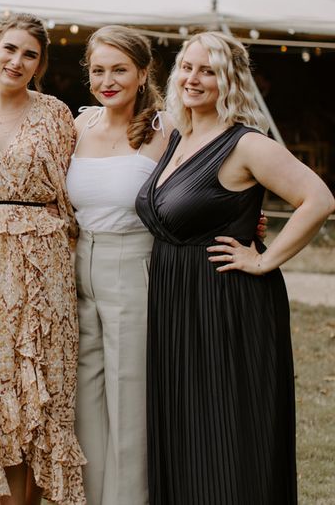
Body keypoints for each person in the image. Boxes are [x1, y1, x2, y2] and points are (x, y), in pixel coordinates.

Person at [136, 31, 335, 505]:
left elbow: (319, 199)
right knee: (186, 429)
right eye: (187, 67)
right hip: (176, 303)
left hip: (225, 304)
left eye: (208, 70)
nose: (193, 78)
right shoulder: (180, 137)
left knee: (224, 433)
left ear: (229, 80)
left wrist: (264, 258)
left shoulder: (246, 144)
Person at [0, 14, 85, 505]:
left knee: (37, 389)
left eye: (29, 54)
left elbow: (83, 187)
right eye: (10, 49)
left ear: (40, 63)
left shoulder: (57, 114)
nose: (17, 61)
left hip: (41, 265)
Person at [66, 26, 169, 505]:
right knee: (84, 398)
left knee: (129, 396)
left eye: (119, 70)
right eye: (98, 70)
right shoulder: (78, 124)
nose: (107, 81)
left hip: (133, 264)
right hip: (77, 266)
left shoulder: (166, 128)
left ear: (143, 72)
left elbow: (209, 179)